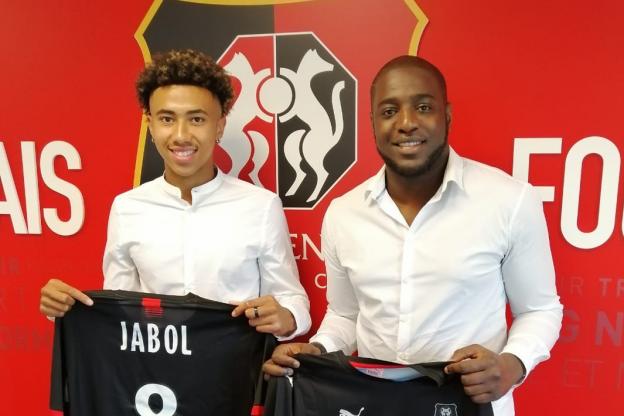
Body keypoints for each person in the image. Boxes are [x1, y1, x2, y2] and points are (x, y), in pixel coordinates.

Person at [263, 55, 563, 414]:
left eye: (423, 107)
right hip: (374, 406)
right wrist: (318, 349)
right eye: (389, 111)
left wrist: (512, 365)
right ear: (372, 123)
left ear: (447, 115)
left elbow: (540, 310)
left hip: (470, 406)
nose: (406, 123)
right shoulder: (344, 213)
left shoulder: (510, 201)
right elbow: (346, 314)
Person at [39, 49, 310, 340]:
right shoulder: (127, 208)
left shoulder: (261, 206)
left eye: (197, 119)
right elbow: (119, 311)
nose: (181, 135)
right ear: (150, 126)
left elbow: (292, 299)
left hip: (238, 366)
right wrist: (67, 310)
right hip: (151, 368)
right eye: (167, 119)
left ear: (219, 126)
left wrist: (287, 317)